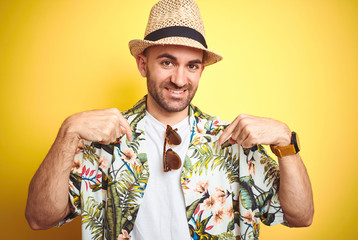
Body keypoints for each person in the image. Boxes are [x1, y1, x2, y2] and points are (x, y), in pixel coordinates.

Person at [25, 0, 314, 239]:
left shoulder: (235, 140)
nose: (179, 79)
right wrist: (67, 133)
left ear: (201, 70)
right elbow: (39, 218)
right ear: (143, 64)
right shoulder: (102, 140)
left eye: (192, 65)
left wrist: (285, 140)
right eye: (167, 62)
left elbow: (300, 216)